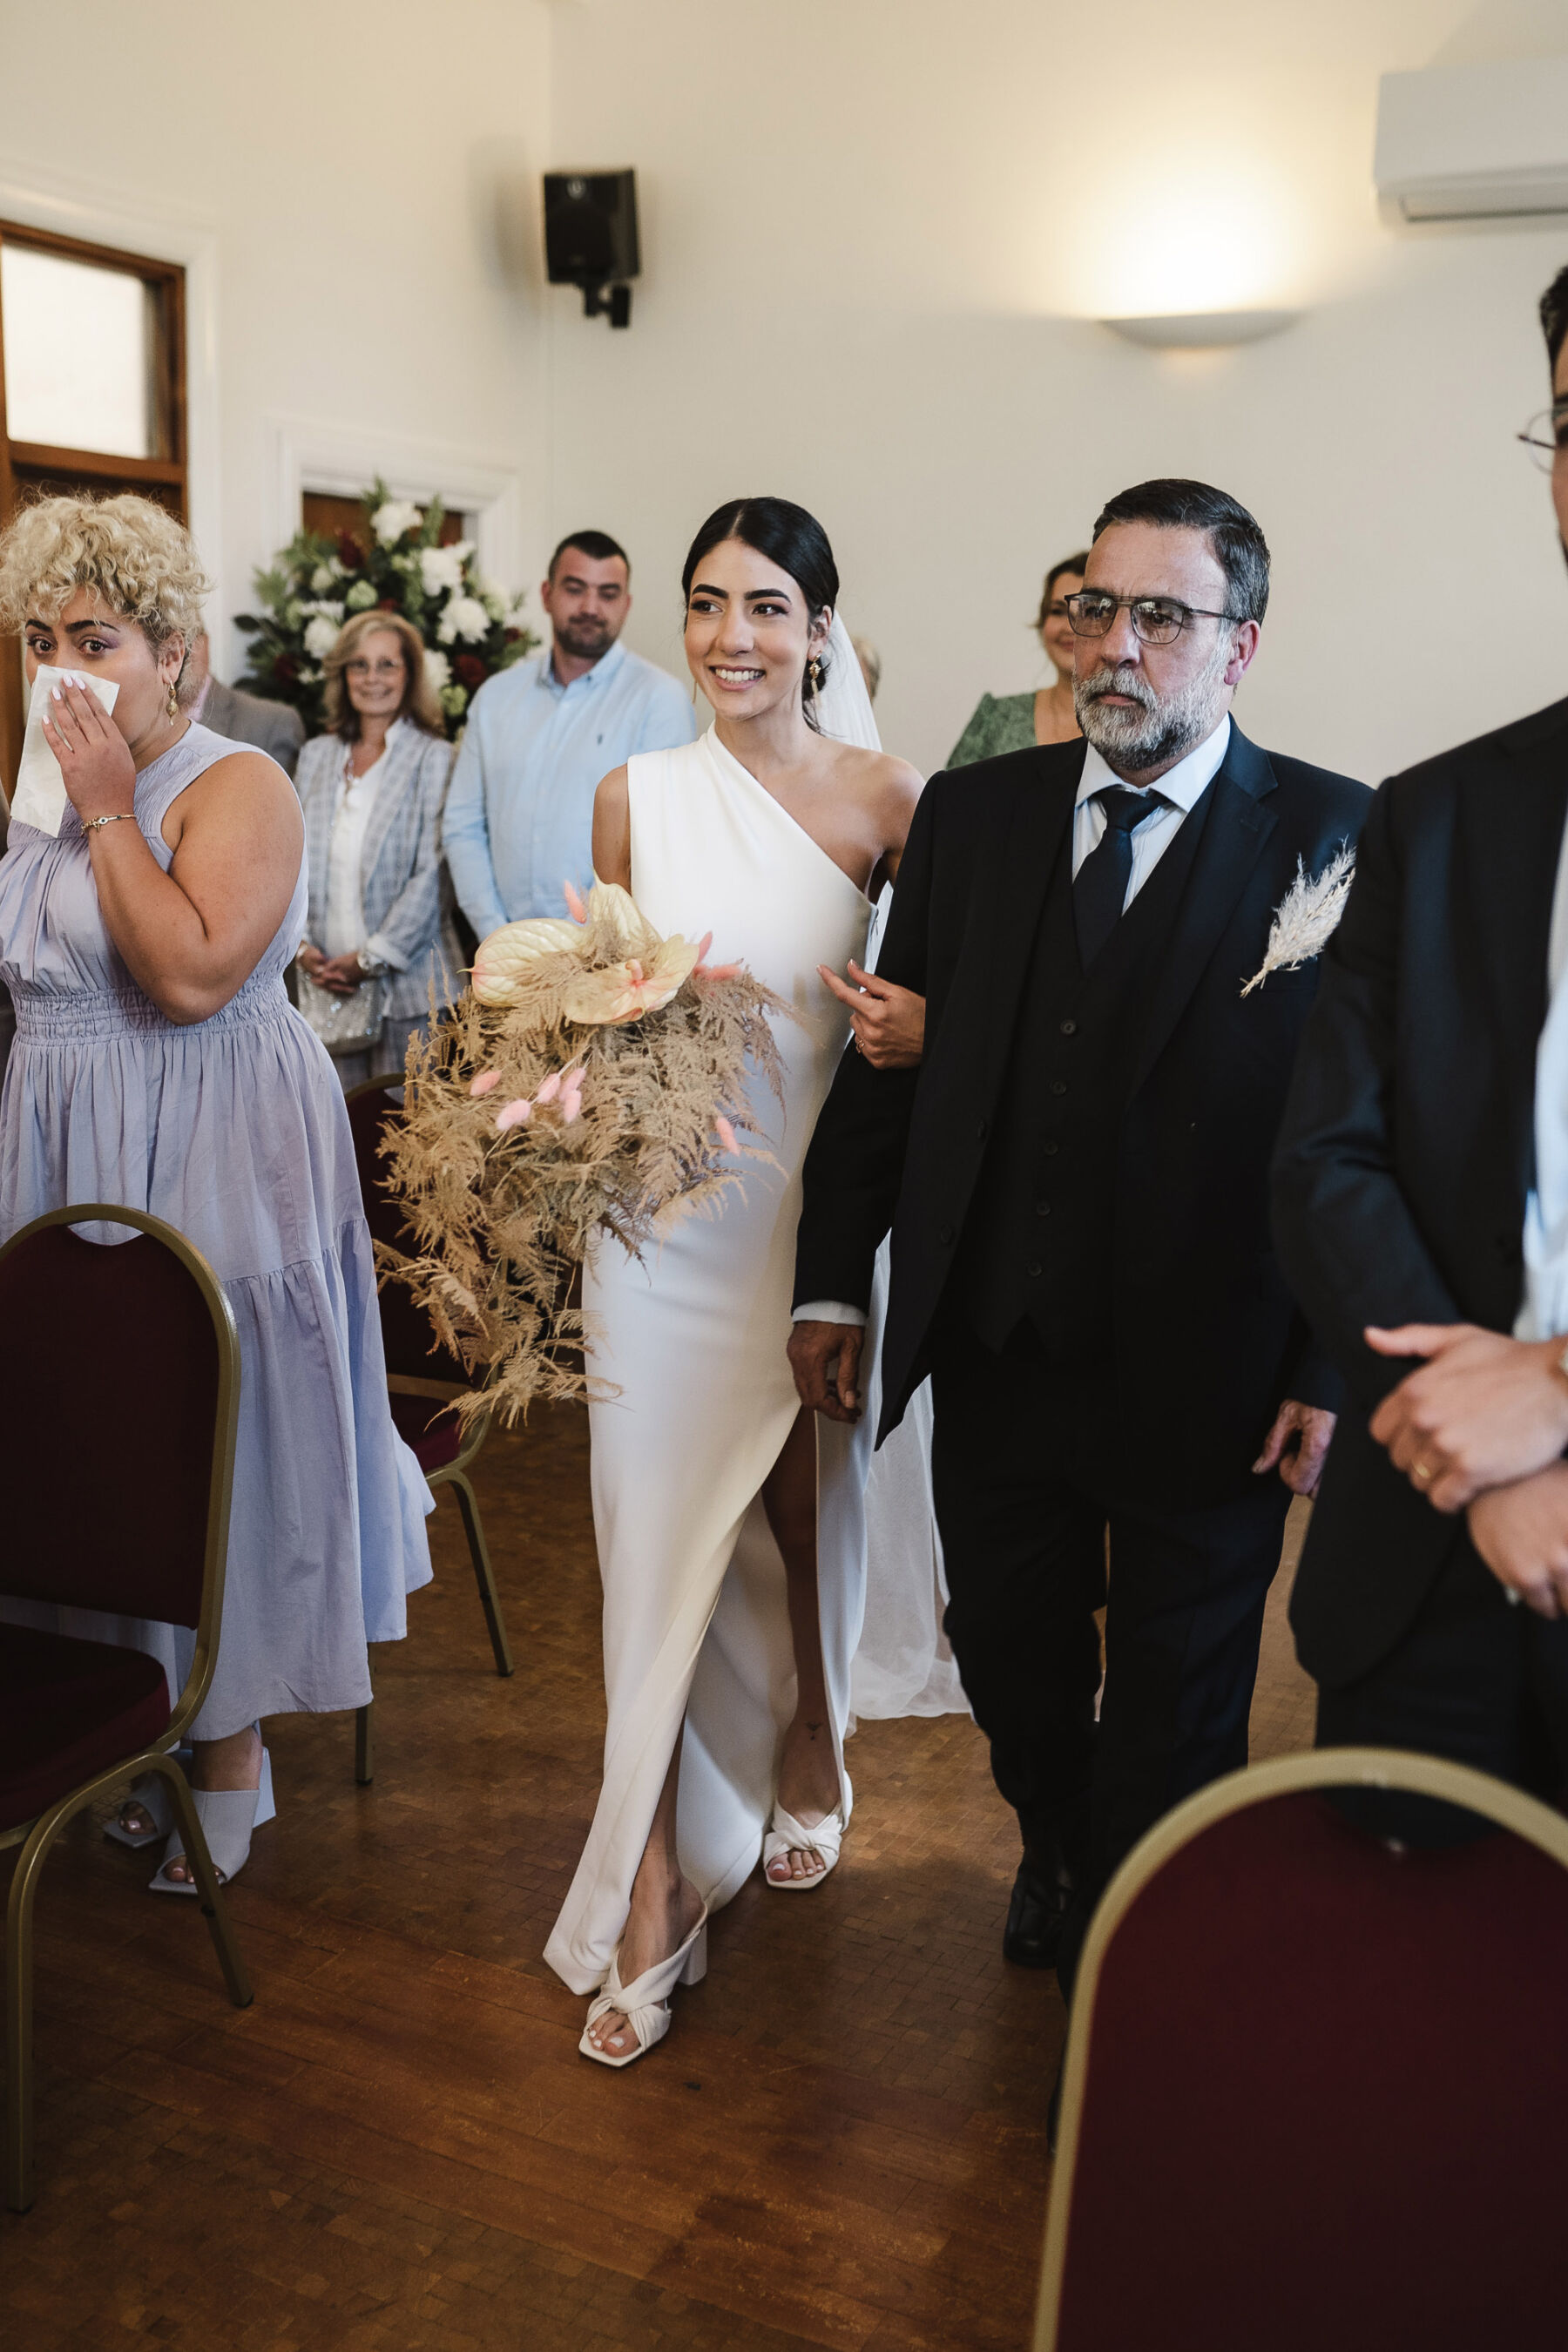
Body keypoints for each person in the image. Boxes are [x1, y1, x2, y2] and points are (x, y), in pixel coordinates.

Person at [790, 479, 1370, 2003]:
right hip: (1003, 1337)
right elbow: (886, 1065)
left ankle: (1139, 1953)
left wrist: (1327, 1359)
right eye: (1097, 609)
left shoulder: (1329, 833)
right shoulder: (976, 818)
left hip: (1219, 1368)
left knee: (1183, 1701)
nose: (1119, 646)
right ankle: (1055, 1836)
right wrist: (836, 1279)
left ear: (1240, 644)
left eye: (1163, 617)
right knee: (1013, 1660)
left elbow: (1358, 1128)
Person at [0, 492, 433, 1890]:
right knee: (87, 1423)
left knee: (205, 1421)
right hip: (67, 1137)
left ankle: (231, 1745)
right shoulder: (35, 791)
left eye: (100, 637)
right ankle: (134, 1710)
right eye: (41, 637)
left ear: (175, 650)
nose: (65, 668)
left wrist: (111, 809)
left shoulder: (231, 781)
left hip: (207, 1133)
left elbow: (187, 977)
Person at [544, 497, 921, 2067]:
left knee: (797, 1509)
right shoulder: (632, 795)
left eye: (768, 607)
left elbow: (940, 1012)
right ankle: (648, 1892)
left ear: (821, 629)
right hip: (652, 1226)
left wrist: (920, 1026)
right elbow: (604, 1010)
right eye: (707, 605)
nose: (731, 638)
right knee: (643, 1543)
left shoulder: (894, 800)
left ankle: (815, 1752)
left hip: (801, 1217)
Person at [1272, 267, 1568, 1821]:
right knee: (1407, 2043)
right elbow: (1329, 1161)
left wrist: (1560, 1394)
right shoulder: (1444, 815)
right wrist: (1494, 1457)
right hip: (1425, 1578)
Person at [441, 530, 697, 941]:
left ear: (626, 605)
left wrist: (592, 950)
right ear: (546, 594)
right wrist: (500, 939)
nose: (590, 607)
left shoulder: (659, 700)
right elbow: (463, 825)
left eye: (608, 593)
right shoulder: (495, 697)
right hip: (500, 956)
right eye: (575, 589)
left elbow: (663, 844)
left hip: (608, 964)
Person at [294, 611, 464, 1088]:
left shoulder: (435, 757)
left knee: (412, 1144)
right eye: (359, 665)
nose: (372, 679)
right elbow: (289, 858)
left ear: (409, 675)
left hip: (411, 992)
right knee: (340, 1137)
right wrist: (301, 947)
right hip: (324, 983)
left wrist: (370, 958)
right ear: (343, 674)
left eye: (387, 665)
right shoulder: (316, 755)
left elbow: (435, 874)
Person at [946, 551, 1088, 767]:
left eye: (1088, 613)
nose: (1068, 627)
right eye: (1058, 611)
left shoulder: (1126, 723)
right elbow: (949, 799)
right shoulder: (996, 717)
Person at [182, 629, 306, 779]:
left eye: (185, 639)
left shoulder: (274, 724)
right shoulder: (148, 726)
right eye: (161, 643)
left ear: (205, 643)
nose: (179, 654)